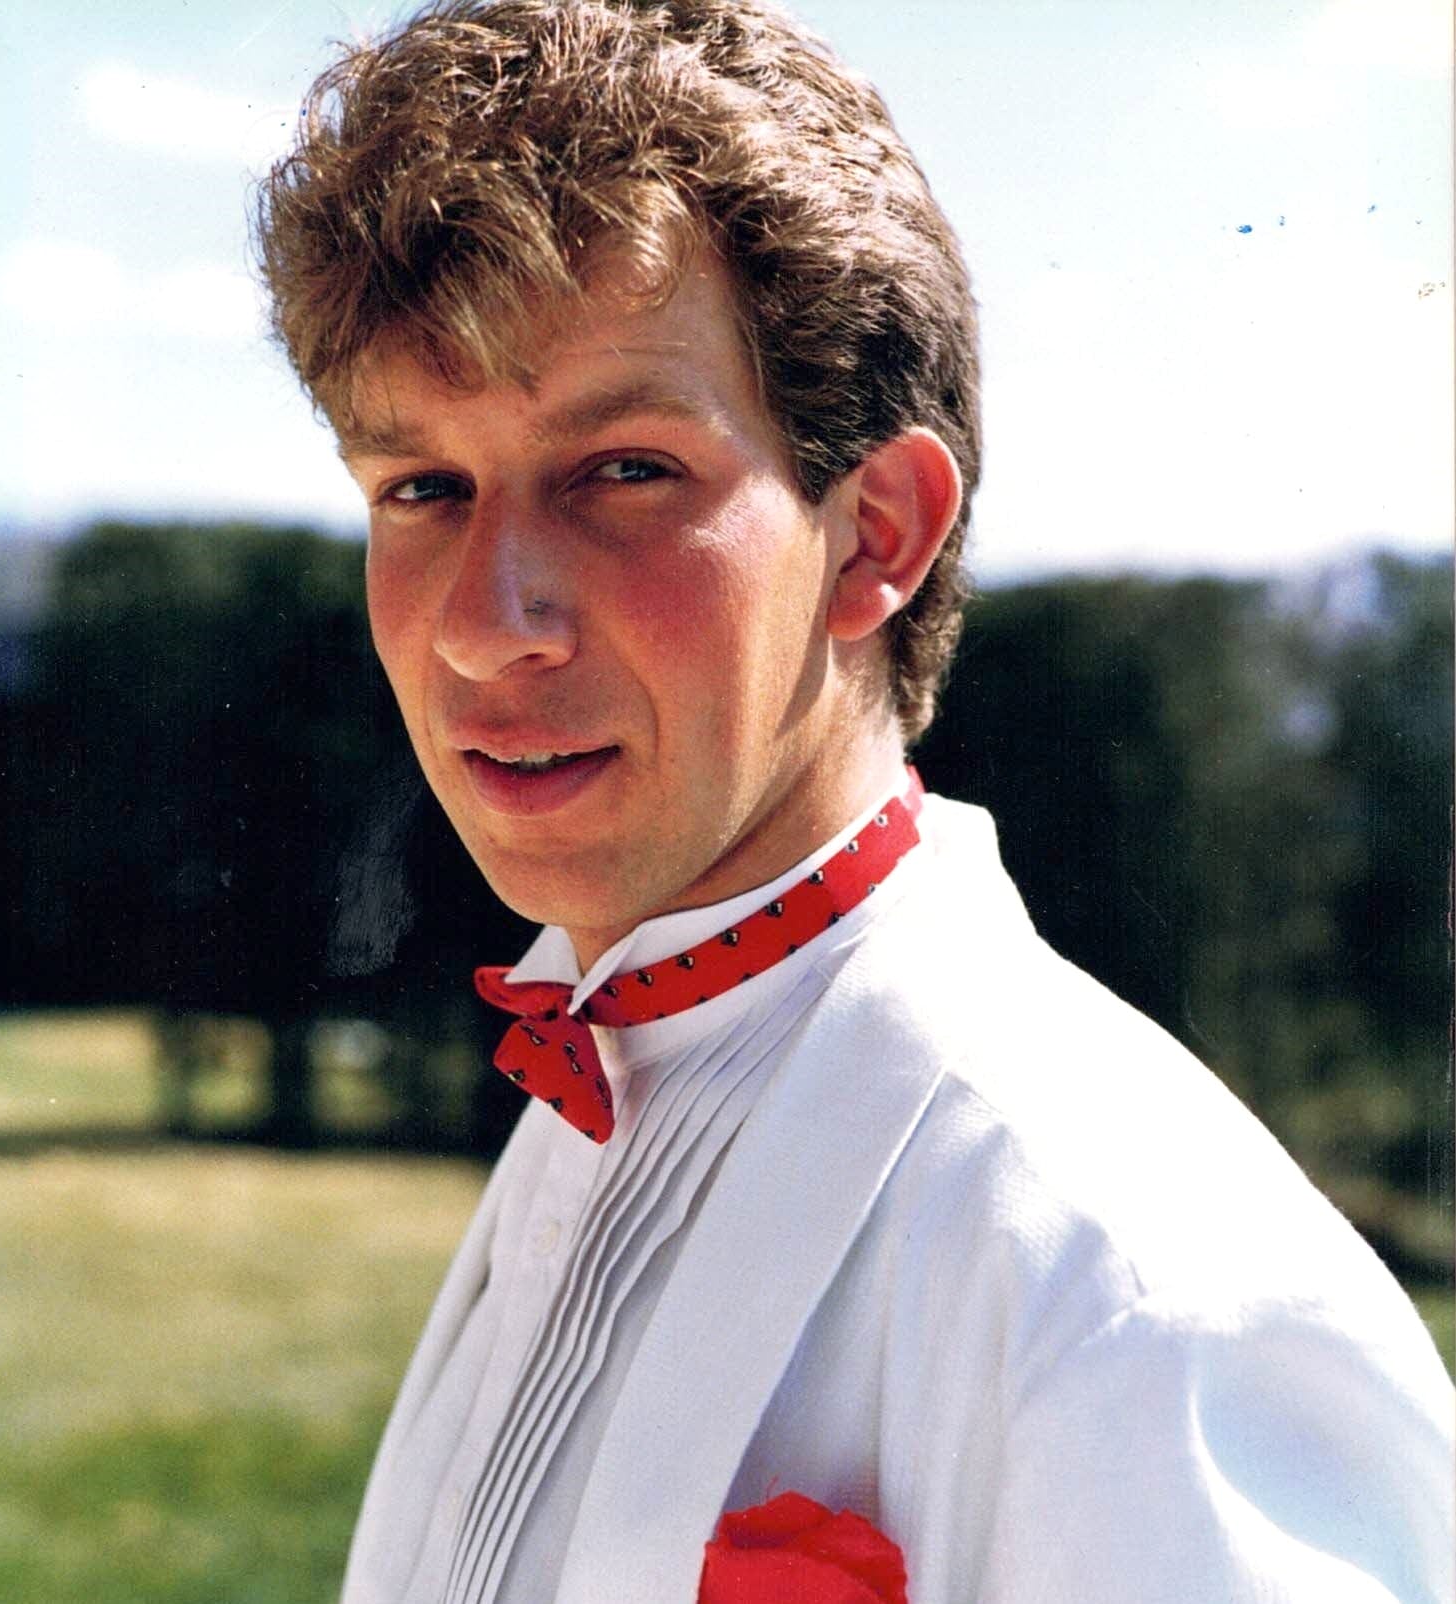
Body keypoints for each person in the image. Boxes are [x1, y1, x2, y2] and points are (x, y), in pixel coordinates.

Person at [255, 3, 1452, 1600]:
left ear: (873, 534)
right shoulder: (593, 1098)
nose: (483, 622)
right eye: (422, 487)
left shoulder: (1131, 1287)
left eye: (623, 470)